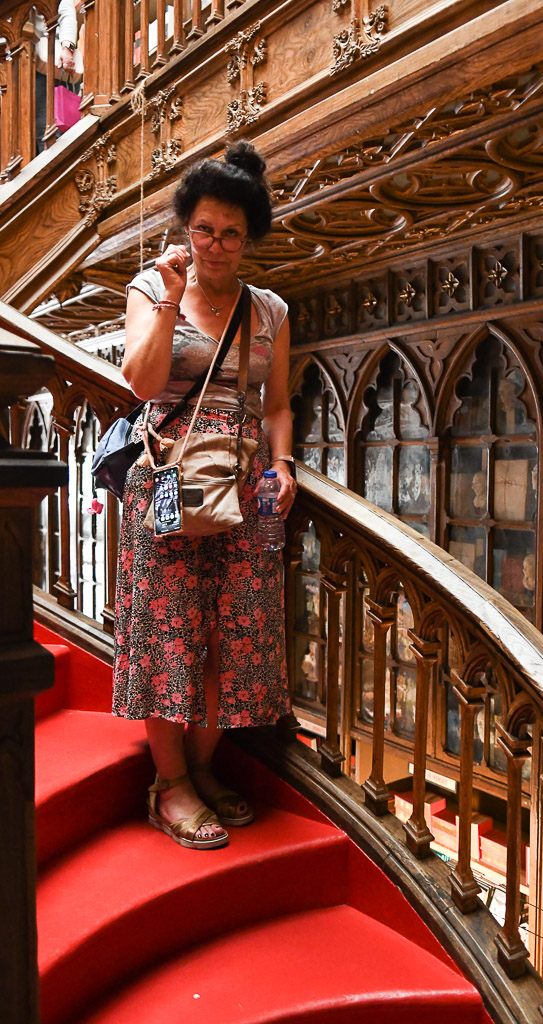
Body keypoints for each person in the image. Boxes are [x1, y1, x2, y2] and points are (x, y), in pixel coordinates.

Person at [114, 142, 296, 849]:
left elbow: (276, 403)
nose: (216, 246)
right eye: (204, 230)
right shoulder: (149, 288)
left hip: (246, 489)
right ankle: (171, 784)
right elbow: (141, 381)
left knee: (233, 634)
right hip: (165, 479)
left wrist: (286, 465)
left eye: (231, 233)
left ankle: (197, 767)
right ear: (183, 228)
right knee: (170, 634)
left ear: (248, 238)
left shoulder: (271, 309)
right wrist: (165, 295)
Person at [33, 0, 79, 154]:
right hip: (25, 64)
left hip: (50, 63)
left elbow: (66, 13)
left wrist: (67, 48)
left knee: (50, 128)